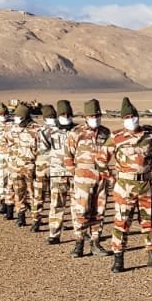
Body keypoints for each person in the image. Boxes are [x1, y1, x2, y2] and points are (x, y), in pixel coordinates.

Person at [104, 96, 152, 273]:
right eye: (127, 117)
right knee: (122, 222)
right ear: (123, 120)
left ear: (138, 116)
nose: (131, 119)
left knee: (149, 221)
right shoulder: (116, 137)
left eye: (133, 116)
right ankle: (118, 258)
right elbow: (101, 160)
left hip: (146, 185)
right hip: (125, 186)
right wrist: (111, 178)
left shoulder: (150, 135)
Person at [64, 97, 111, 258]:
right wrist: (76, 175)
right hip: (82, 179)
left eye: (97, 115)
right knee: (81, 210)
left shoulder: (106, 133)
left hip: (101, 179)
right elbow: (68, 156)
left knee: (99, 210)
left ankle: (96, 242)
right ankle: (79, 243)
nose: (95, 119)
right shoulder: (76, 133)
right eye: (92, 116)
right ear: (85, 117)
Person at [41, 99, 75, 244]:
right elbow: (44, 150)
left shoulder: (78, 131)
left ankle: (80, 232)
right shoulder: (48, 132)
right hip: (57, 173)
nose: (65, 116)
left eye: (68, 113)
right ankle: (54, 234)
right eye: (62, 113)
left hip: (75, 173)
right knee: (56, 204)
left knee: (78, 206)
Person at [6, 105, 40, 226]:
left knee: (33, 194)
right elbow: (9, 146)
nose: (16, 118)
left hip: (31, 167)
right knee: (18, 192)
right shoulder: (13, 129)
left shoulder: (37, 129)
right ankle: (21, 216)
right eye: (15, 116)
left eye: (19, 116)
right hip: (16, 167)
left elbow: (41, 150)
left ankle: (36, 219)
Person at [29, 104, 54, 232]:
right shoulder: (42, 132)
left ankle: (37, 221)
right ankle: (37, 221)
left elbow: (32, 150)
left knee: (41, 197)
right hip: (48, 167)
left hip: (45, 167)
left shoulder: (39, 131)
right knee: (47, 197)